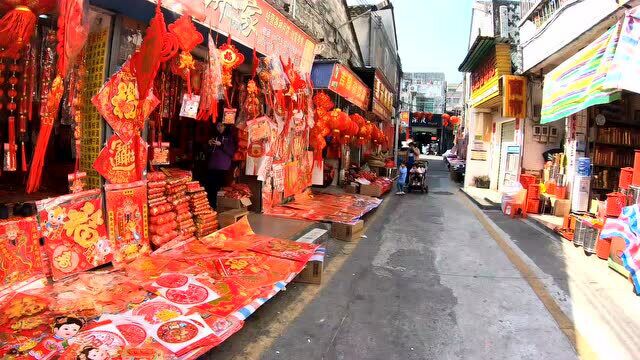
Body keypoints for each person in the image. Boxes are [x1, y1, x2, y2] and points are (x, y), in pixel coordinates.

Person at [206, 122, 237, 208]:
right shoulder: (214, 136)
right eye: (218, 126)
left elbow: (231, 152)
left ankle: (221, 206)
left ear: (225, 126)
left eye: (221, 126)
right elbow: (209, 152)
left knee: (221, 188)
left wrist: (222, 144)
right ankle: (212, 205)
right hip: (212, 166)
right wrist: (209, 144)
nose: (219, 128)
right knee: (211, 187)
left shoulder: (229, 137)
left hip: (223, 167)